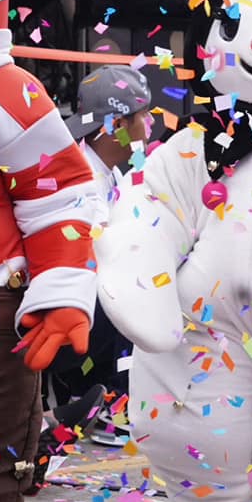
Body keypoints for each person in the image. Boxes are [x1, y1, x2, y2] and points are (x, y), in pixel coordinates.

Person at [46, 65, 153, 445]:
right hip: (69, 307)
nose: (151, 121)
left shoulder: (109, 170)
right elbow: (106, 254)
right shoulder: (82, 178)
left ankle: (102, 393)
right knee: (137, 295)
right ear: (116, 125)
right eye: (143, 114)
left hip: (85, 300)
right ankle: (108, 403)